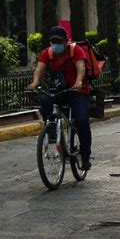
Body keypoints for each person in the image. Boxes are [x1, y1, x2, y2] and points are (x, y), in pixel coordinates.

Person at [27, 26, 92, 170]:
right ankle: (50, 128)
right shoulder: (48, 53)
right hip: (60, 90)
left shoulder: (75, 50)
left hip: (78, 91)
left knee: (81, 121)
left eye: (59, 41)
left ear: (66, 41)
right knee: (45, 99)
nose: (56, 44)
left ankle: (85, 156)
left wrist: (79, 81)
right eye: (53, 41)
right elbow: (39, 69)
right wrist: (35, 82)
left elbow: (81, 67)